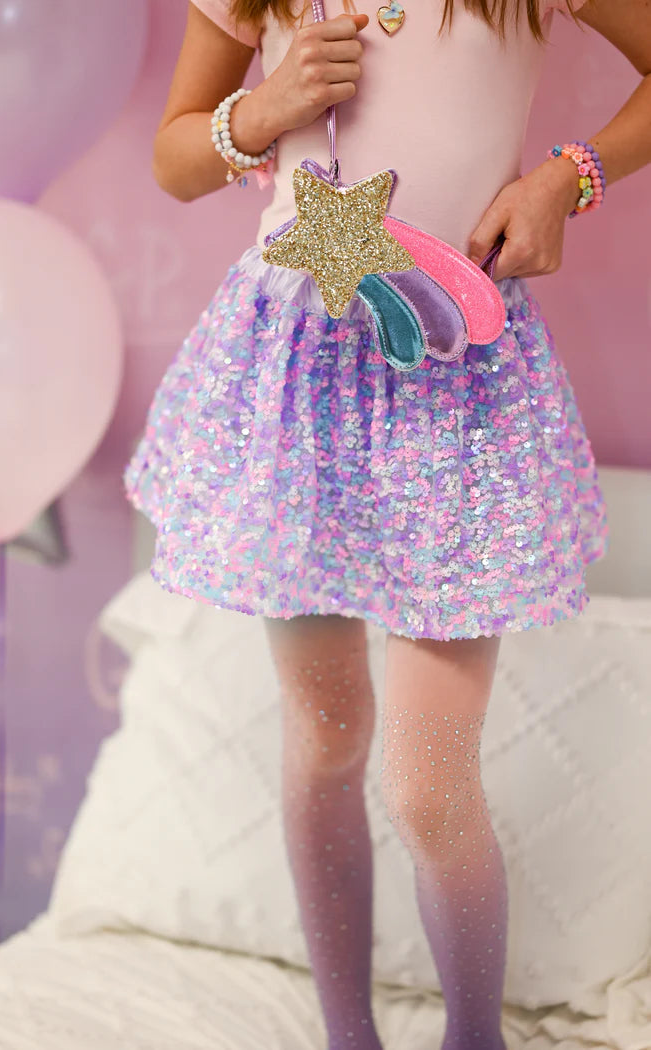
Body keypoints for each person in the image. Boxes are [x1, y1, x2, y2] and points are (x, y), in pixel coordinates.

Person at [123, 1, 651, 1047]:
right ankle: (347, 1036)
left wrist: (565, 178)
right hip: (300, 375)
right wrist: (262, 110)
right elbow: (174, 160)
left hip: (456, 366)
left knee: (425, 786)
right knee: (324, 734)